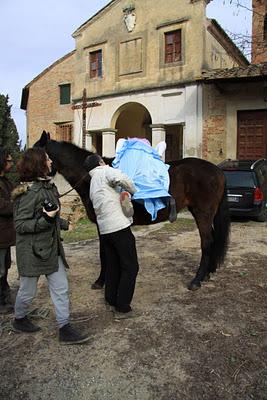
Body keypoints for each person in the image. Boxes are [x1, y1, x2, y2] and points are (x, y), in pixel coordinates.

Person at [12, 148, 89, 345]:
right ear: (39, 164)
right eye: (47, 158)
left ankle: (65, 328)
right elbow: (20, 225)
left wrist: (62, 223)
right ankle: (19, 318)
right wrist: (46, 220)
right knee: (28, 291)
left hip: (51, 248)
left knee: (61, 288)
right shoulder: (28, 193)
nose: (50, 161)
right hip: (31, 251)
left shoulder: (49, 187)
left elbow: (50, 212)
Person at [84, 153, 139, 319]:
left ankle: (110, 300)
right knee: (130, 267)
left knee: (113, 265)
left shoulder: (93, 181)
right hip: (118, 227)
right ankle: (122, 308)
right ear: (100, 162)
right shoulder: (105, 171)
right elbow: (120, 178)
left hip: (105, 231)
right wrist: (132, 190)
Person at [0, 148, 16, 314]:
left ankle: (5, 295)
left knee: (5, 266)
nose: (11, 163)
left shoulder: (6, 181)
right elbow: (3, 206)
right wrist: (18, 205)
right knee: (0, 269)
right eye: (9, 160)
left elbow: (14, 195)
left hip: (5, 235)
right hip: (0, 235)